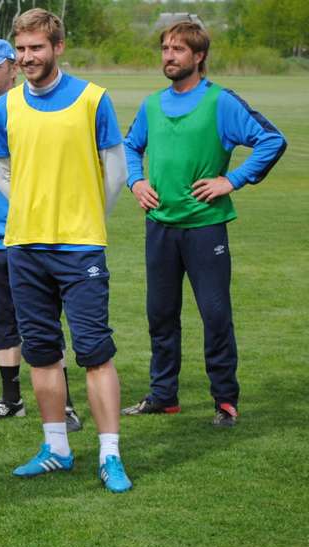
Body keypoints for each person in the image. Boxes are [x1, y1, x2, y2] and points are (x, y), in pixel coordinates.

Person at [0, 9, 131, 492]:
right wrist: (32, 207)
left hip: (80, 247)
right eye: (21, 49)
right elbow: (2, 170)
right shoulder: (7, 106)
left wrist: (85, 216)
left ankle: (110, 454)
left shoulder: (94, 100)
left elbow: (115, 173)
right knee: (42, 352)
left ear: (58, 47)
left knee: (95, 352)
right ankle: (57, 448)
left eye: (37, 48)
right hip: (24, 247)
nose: (28, 57)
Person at [122, 22, 286, 426]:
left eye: (178, 49)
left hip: (205, 227)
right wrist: (136, 181)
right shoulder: (152, 105)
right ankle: (164, 395)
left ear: (199, 56)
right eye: (165, 48)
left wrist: (232, 180)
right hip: (160, 227)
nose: (169, 56)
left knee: (215, 316)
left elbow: (271, 140)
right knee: (160, 315)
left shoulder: (220, 102)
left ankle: (225, 400)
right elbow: (129, 146)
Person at [0, 38, 82, 429]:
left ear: (13, 68)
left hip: (32, 235)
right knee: (0, 321)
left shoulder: (29, 109)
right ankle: (11, 399)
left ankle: (64, 404)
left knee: (44, 321)